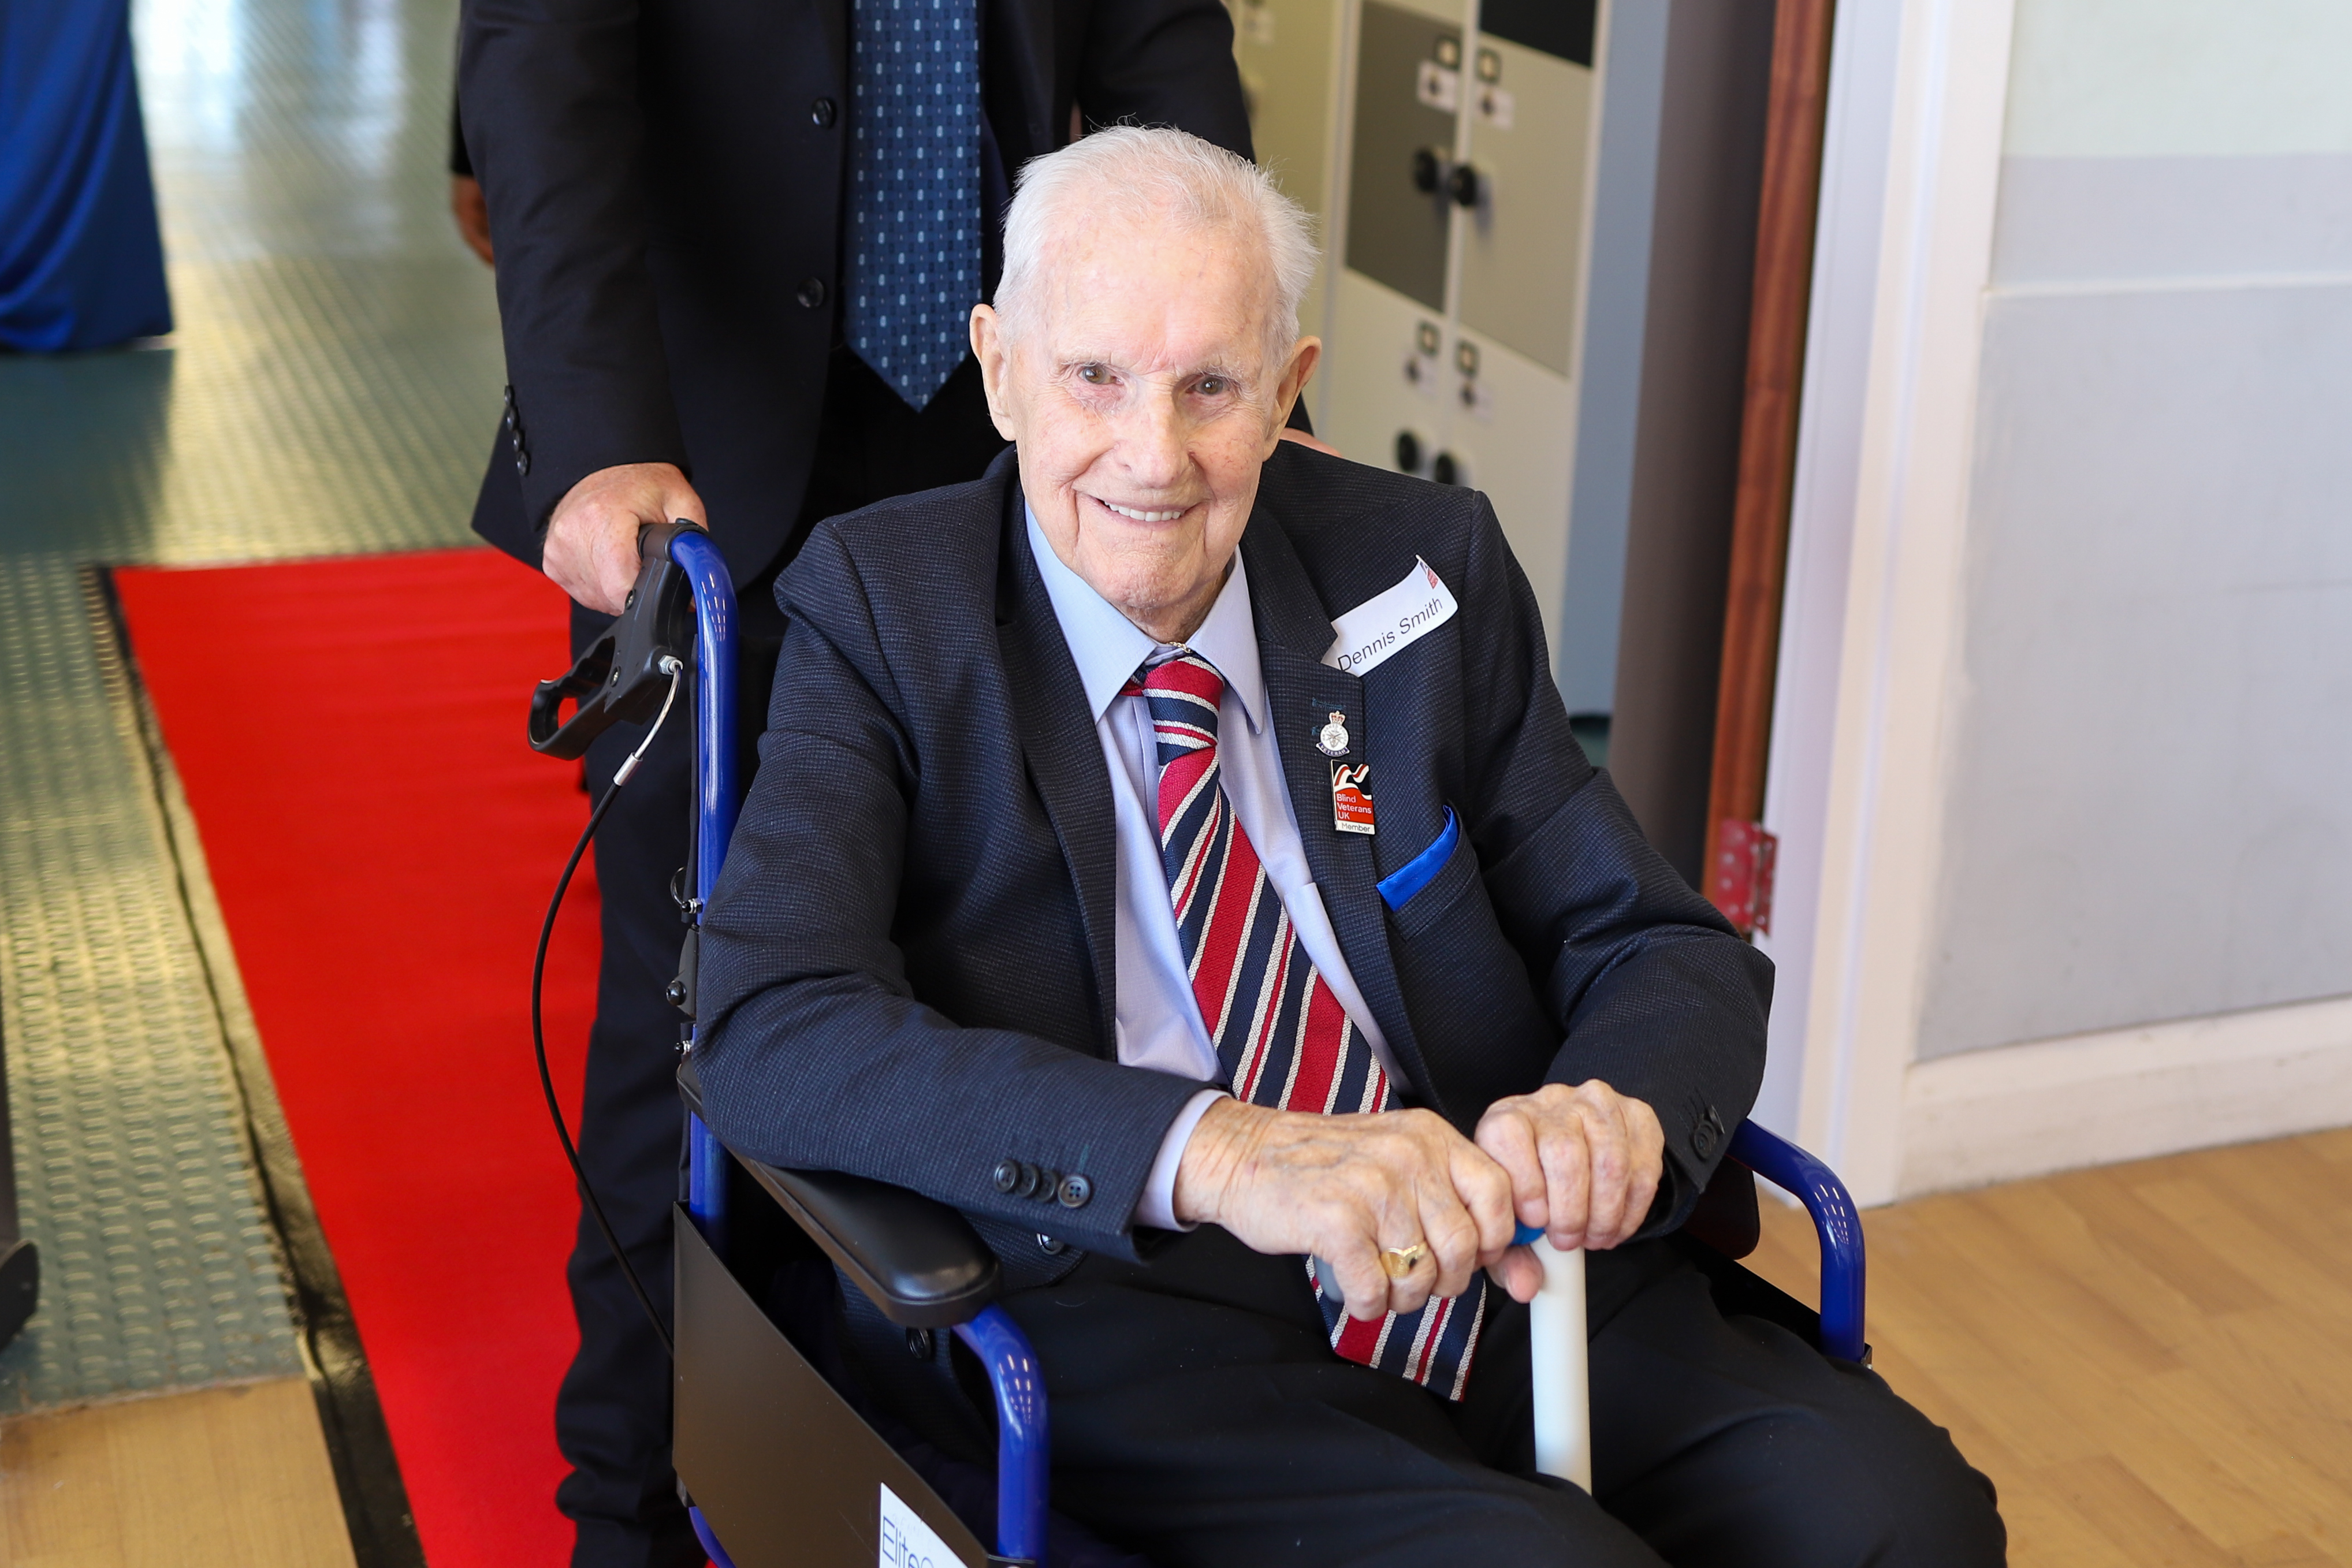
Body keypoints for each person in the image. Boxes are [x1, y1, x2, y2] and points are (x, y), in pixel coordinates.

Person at [695, 126, 2007, 1566]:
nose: (1153, 453)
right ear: (999, 369)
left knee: (1903, 1523)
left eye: (1211, 385)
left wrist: (1607, 1106)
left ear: (1286, 392)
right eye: (1094, 377)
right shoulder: (885, 609)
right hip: (1137, 1295)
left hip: (1486, 1228)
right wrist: (1224, 1149)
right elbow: (768, 1020)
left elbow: (1657, 941)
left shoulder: (1420, 564)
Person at [455, 5, 1254, 1562]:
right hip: (703, 457)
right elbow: (546, 70)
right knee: (696, 1014)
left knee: (1010, 972)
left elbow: (1160, 51)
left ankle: (917, 1476)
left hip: (1012, 438)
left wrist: (1222, 374)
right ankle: (627, 1511)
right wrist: (597, 437)